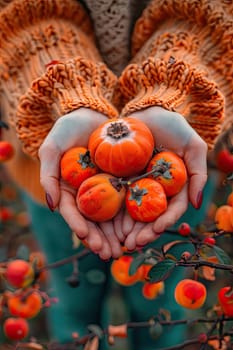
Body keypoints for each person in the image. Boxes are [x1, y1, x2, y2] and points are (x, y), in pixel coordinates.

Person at [0, 0, 232, 348]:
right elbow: (20, 10)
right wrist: (69, 97)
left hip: (187, 151)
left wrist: (174, 94)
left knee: (158, 301)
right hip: (53, 169)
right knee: (72, 299)